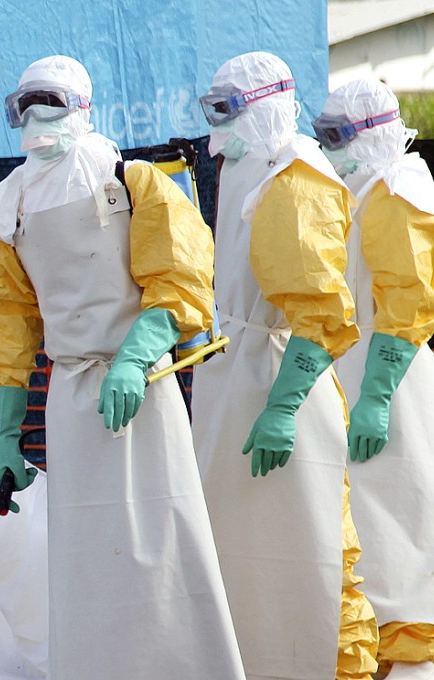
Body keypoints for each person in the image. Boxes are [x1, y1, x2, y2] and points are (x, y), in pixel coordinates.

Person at [0, 54, 245, 679]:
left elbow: (180, 279)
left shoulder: (132, 181)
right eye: (26, 108)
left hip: (144, 389)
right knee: (88, 555)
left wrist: (137, 356)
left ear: (83, 109)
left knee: (163, 538)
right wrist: (3, 434)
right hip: (71, 398)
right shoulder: (3, 209)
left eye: (52, 106)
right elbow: (5, 325)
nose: (38, 121)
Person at [191, 51, 379, 679]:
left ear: (265, 104)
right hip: (237, 376)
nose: (218, 128)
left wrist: (283, 406)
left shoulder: (295, 179)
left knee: (319, 554)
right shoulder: (252, 166)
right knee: (246, 552)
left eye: (228, 108)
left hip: (278, 384)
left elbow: (322, 311)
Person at [315, 79, 434, 680]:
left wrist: (377, 397)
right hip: (352, 382)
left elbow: (409, 302)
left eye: (335, 136)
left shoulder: (395, 191)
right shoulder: (356, 193)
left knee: (397, 548)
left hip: (390, 386)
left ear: (373, 133)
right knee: (369, 536)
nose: (325, 147)